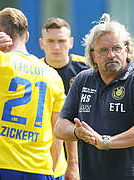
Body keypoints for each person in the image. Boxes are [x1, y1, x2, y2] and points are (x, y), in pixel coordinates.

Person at [0, 8, 66, 179]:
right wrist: (50, 171)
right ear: (27, 36)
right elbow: (57, 133)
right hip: (41, 170)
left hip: (2, 167)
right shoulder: (52, 75)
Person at [54, 13, 134, 180]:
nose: (111, 55)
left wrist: (106, 142)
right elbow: (60, 127)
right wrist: (76, 132)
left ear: (126, 49)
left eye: (116, 48)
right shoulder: (82, 80)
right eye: (103, 50)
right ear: (93, 55)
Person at [39, 17, 89, 180]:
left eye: (61, 40)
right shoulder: (34, 71)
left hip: (83, 148)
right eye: (50, 41)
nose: (56, 46)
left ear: (71, 42)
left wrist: (73, 164)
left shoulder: (86, 70)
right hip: (45, 151)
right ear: (41, 43)